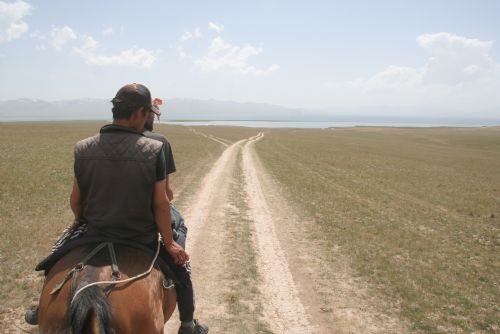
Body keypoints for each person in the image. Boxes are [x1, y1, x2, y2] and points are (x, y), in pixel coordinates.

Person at [25, 83, 208, 334]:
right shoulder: (155, 150)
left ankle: (41, 307)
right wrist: (168, 243)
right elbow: (161, 203)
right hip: (139, 235)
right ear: (139, 113)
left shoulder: (83, 147)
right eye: (147, 114)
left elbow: (76, 201)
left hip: (94, 230)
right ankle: (188, 325)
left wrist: (82, 222)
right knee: (181, 267)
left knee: (54, 259)